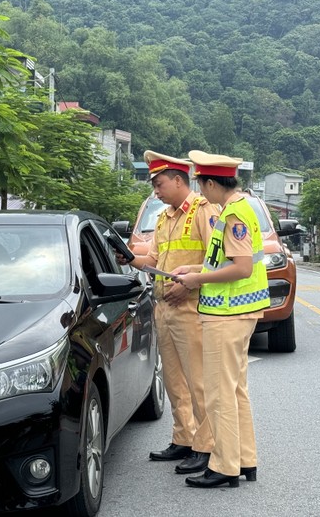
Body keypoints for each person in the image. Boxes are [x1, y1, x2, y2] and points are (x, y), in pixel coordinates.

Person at [171, 150, 268, 489]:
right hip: (233, 314)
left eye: (201, 185)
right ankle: (243, 458)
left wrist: (197, 281)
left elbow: (241, 267)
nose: (200, 193)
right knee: (236, 389)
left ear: (211, 183)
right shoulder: (236, 210)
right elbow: (223, 262)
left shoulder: (234, 215)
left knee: (219, 393)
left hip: (228, 315)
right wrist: (194, 269)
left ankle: (225, 466)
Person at [118, 150, 219, 474]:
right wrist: (129, 258)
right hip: (165, 309)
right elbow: (154, 262)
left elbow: (219, 262)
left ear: (178, 180)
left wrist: (191, 284)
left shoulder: (205, 212)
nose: (156, 192)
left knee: (197, 382)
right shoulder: (163, 219)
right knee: (174, 381)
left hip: (192, 310)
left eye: (160, 184)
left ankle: (205, 447)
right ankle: (184, 438)